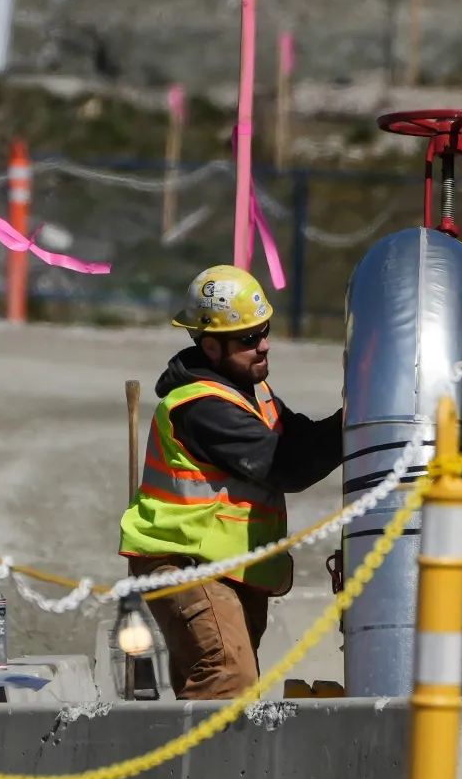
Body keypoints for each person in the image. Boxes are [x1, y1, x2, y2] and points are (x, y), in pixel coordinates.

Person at [118, 266, 341, 698]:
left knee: (221, 683)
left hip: (228, 566)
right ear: (211, 347)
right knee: (227, 678)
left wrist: (356, 417)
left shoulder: (250, 394)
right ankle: (210, 767)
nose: (264, 346)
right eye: (248, 339)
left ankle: (196, 764)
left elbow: (304, 439)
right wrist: (352, 425)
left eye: (264, 331)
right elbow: (288, 467)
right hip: (186, 560)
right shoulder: (203, 408)